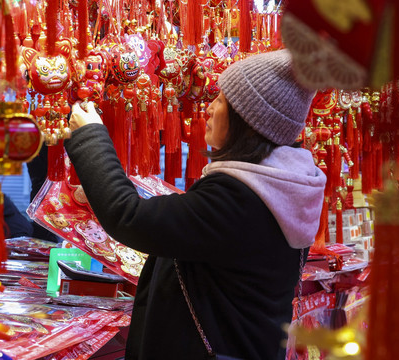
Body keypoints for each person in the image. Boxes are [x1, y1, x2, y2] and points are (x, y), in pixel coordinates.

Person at [63, 49, 327, 359]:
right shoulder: (282, 187)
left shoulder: (238, 198)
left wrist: (90, 134)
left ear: (247, 121)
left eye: (221, 101)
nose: (209, 108)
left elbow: (129, 217)